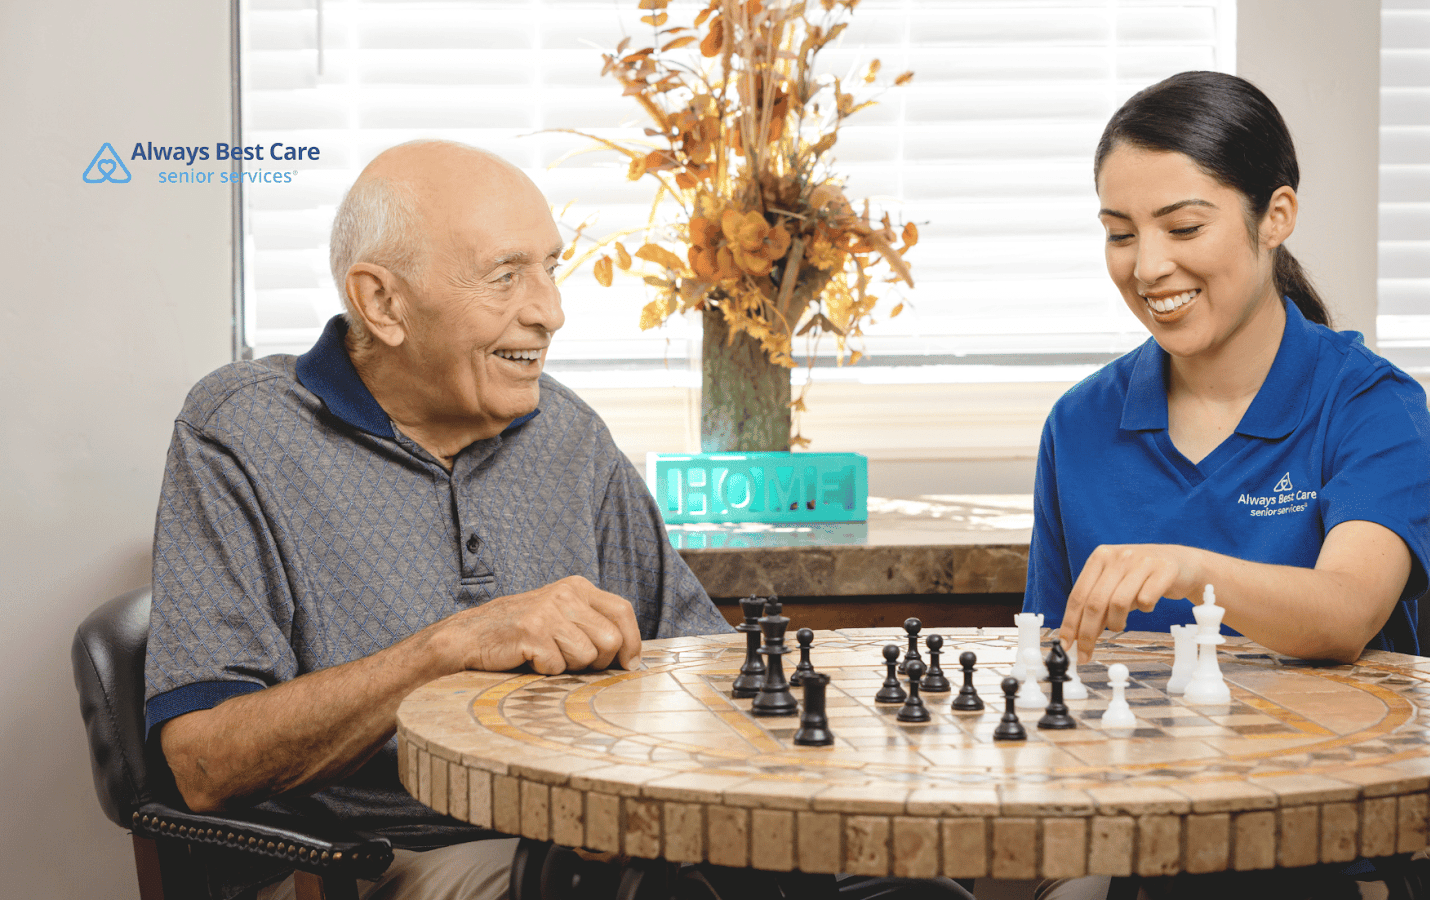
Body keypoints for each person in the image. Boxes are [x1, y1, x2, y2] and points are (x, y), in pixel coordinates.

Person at [145, 140, 971, 900]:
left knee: (913, 887)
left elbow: (703, 662)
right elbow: (204, 763)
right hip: (405, 854)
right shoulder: (240, 432)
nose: (551, 312)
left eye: (550, 268)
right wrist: (448, 648)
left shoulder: (568, 433)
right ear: (382, 301)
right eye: (506, 276)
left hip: (615, 835)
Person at [1025, 73, 1430, 899]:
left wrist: (1181, 567)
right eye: (1119, 233)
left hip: (1354, 839)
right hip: (1142, 834)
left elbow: (1345, 615)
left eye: (1184, 226)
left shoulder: (1373, 407)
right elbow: (1057, 665)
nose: (1148, 266)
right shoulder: (1078, 425)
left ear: (1276, 216)